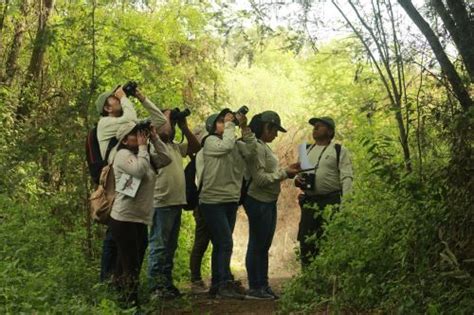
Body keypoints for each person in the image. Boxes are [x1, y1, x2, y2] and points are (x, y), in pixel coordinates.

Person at [95, 86, 168, 282]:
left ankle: (117, 282)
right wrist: (125, 97)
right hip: (118, 174)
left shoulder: (127, 126)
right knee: (118, 227)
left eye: (118, 97)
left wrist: (140, 96)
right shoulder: (105, 123)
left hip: (134, 169)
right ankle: (108, 280)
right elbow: (130, 119)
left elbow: (161, 121)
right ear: (106, 108)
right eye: (113, 99)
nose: (118, 99)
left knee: (126, 233)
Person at [195, 109, 257, 299]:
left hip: (230, 200)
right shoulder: (210, 142)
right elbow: (226, 146)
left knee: (222, 244)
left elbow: (251, 151)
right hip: (212, 200)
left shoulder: (234, 143)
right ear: (213, 126)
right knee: (225, 242)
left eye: (227, 121)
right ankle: (222, 284)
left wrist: (245, 127)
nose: (226, 123)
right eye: (221, 121)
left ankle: (218, 284)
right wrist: (231, 124)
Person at [109, 121, 171, 307]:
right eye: (134, 134)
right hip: (123, 218)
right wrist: (144, 147)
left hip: (139, 219)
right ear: (125, 140)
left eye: (140, 133)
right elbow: (138, 171)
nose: (139, 137)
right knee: (131, 264)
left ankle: (120, 300)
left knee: (127, 262)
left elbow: (166, 158)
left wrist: (155, 137)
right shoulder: (122, 155)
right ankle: (131, 304)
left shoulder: (143, 155)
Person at [243, 111, 300, 300]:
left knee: (263, 245)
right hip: (258, 200)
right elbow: (259, 179)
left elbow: (269, 173)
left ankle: (263, 285)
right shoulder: (256, 148)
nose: (276, 135)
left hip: (268, 201)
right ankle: (255, 287)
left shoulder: (263, 147)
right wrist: (285, 173)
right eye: (275, 130)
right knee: (257, 244)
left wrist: (288, 170)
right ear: (266, 127)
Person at [147, 110, 201, 298]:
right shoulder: (152, 145)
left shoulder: (175, 147)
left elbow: (196, 147)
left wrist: (184, 126)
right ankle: (155, 286)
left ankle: (166, 284)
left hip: (176, 202)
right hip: (161, 202)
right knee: (159, 246)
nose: (171, 124)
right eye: (168, 120)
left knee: (170, 247)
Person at [295, 116, 353, 268]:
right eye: (314, 126)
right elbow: (300, 175)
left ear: (330, 131)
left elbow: (346, 177)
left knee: (329, 240)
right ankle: (307, 278)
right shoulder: (306, 149)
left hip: (331, 202)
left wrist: (346, 203)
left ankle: (328, 279)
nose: (315, 128)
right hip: (309, 202)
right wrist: (298, 180)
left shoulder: (338, 150)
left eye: (319, 126)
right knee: (306, 240)